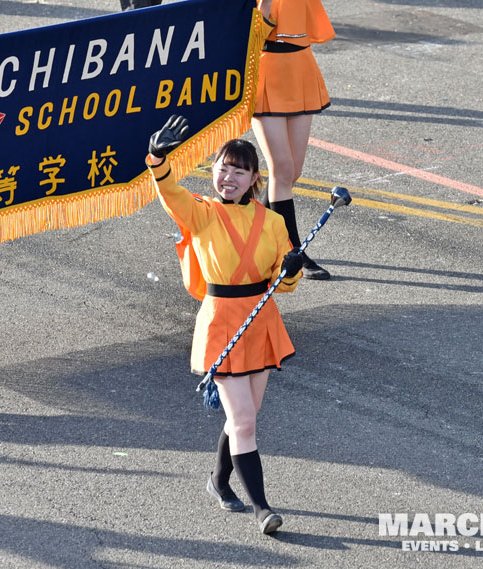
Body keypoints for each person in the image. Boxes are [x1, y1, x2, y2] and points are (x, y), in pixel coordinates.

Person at [146, 115, 303, 535]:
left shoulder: (272, 222)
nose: (227, 176)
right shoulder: (201, 213)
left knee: (243, 418)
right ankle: (263, 509)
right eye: (221, 167)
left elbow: (282, 285)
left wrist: (290, 269)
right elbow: (170, 193)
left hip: (261, 321)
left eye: (238, 169)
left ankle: (218, 481)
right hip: (222, 325)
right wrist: (158, 158)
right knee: (245, 421)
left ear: (254, 178)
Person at [252, 0, 335, 280]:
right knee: (283, 170)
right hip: (265, 71)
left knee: (292, 172)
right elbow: (248, 34)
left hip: (300, 68)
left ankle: (250, 229)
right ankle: (292, 251)